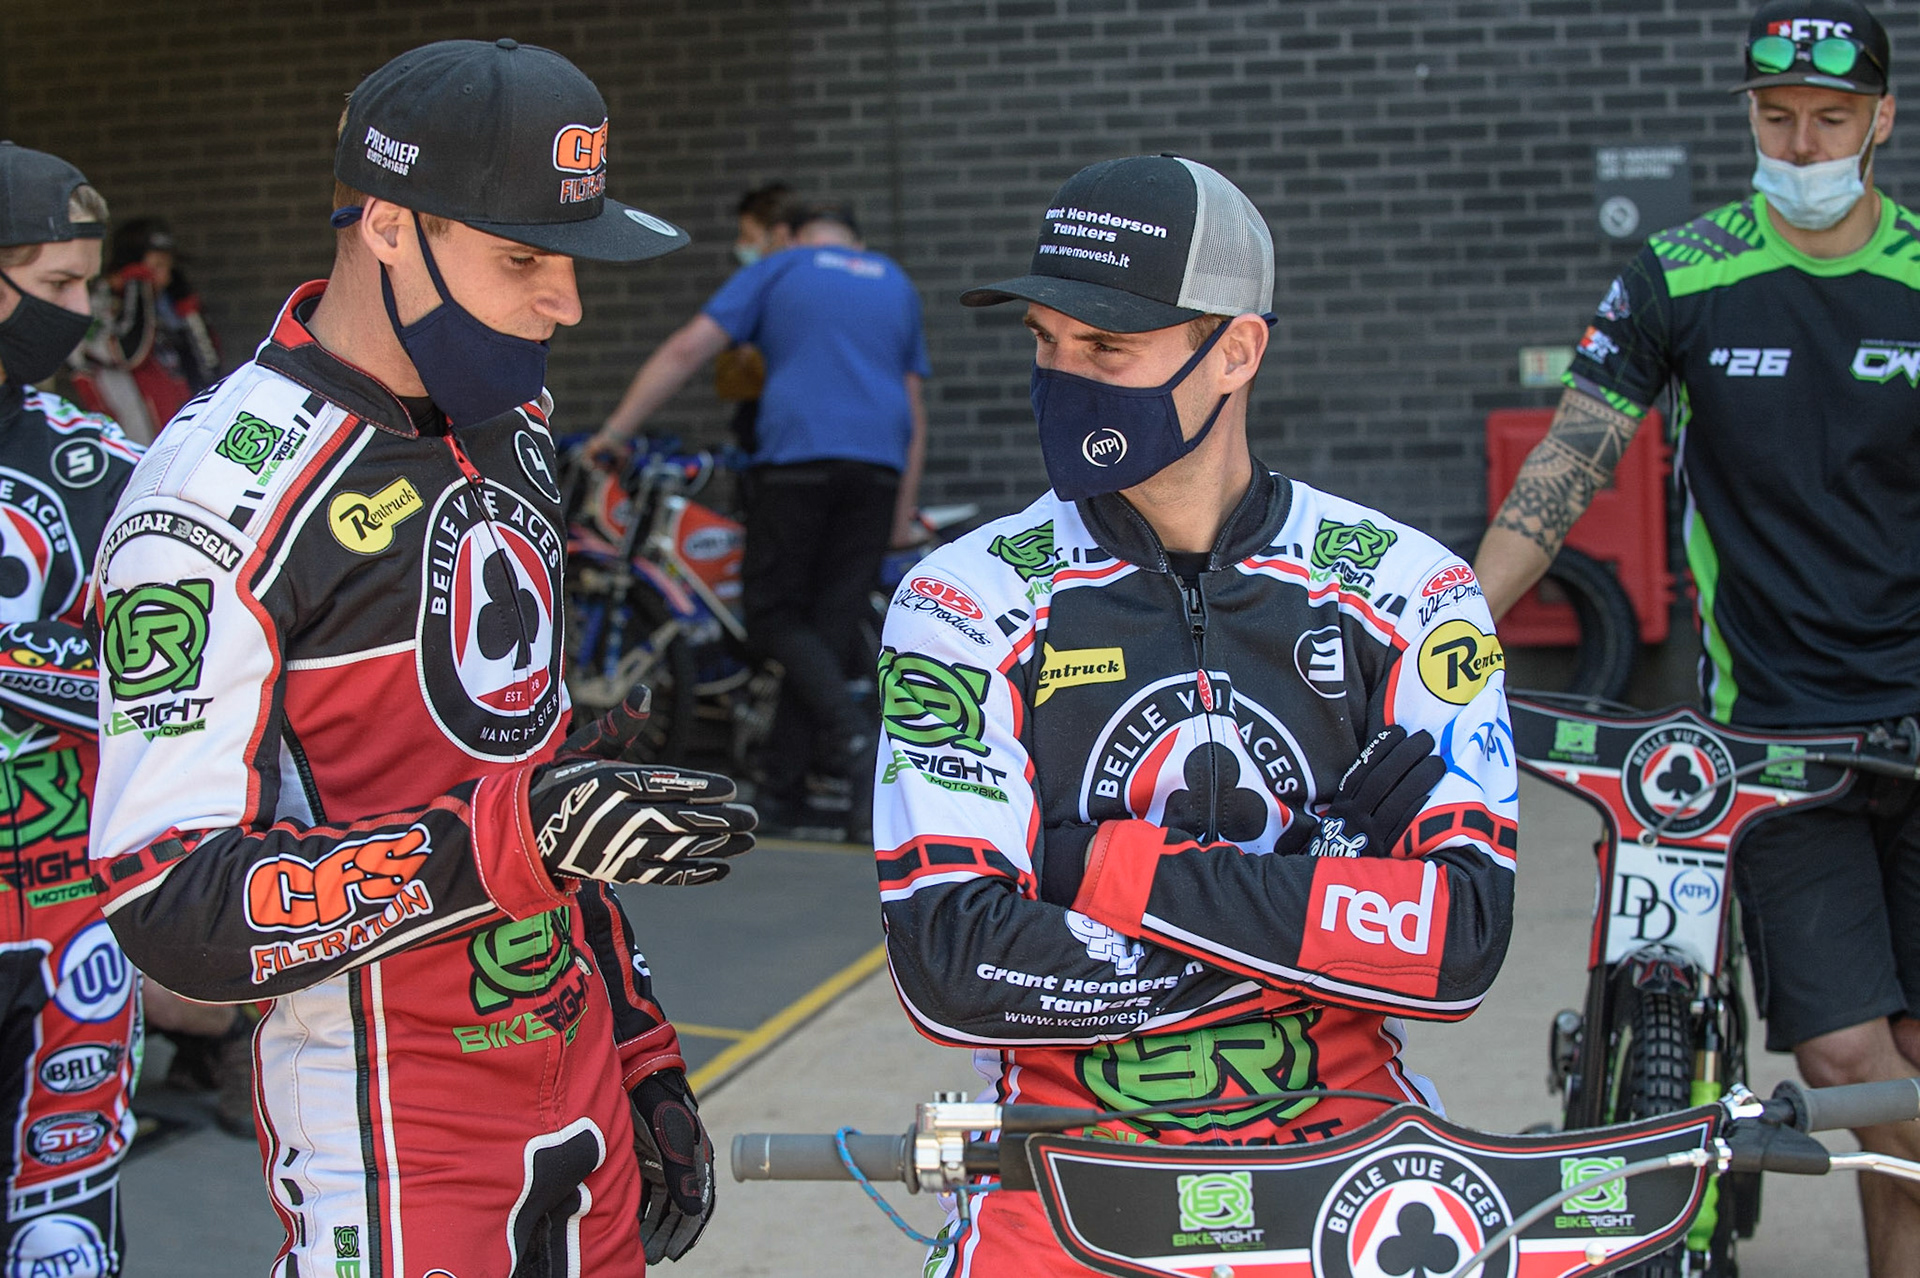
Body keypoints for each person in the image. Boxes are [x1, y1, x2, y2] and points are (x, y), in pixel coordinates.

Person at [86, 41, 758, 1276]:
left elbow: (536, 766)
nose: (565, 303)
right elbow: (170, 906)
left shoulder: (514, 425)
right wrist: (519, 839)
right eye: (523, 260)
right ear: (387, 226)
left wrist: (645, 1050)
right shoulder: (215, 496)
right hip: (393, 1139)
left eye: (568, 258)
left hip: (580, 1092)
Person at [876, 154, 1518, 1275]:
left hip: (1355, 1153)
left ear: (1238, 348)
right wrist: (1330, 892)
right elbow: (955, 960)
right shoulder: (961, 599)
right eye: (1046, 340)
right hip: (1067, 1161)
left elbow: (1459, 943)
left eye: (1108, 346)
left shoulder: (1412, 590)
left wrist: (1093, 872)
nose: (1064, 374)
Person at [1475, 2, 1920, 1270]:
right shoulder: (1683, 272)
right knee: (1849, 1061)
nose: (1805, 141)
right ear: (1750, 118)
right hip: (1775, 739)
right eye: (1779, 117)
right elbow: (1560, 471)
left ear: (1880, 120)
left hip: (1919, 719)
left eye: (1832, 119)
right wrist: (1443, 631)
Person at [589, 198, 931, 840]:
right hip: (876, 474)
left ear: (789, 234)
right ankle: (783, 793)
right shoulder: (895, 281)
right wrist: (901, 505)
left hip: (796, 462)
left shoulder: (782, 267)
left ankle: (858, 747)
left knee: (773, 617)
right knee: (825, 634)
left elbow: (691, 348)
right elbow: (913, 407)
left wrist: (614, 431)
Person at [0, 141, 146, 1278]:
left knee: (62, 1245)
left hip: (66, 950)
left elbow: (179, 693)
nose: (82, 315)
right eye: (55, 287)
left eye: (87, 285)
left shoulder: (103, 470)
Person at [713, 182, 795, 452]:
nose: (740, 246)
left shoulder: (783, 289)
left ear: (780, 236)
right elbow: (730, 379)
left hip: (781, 441)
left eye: (748, 237)